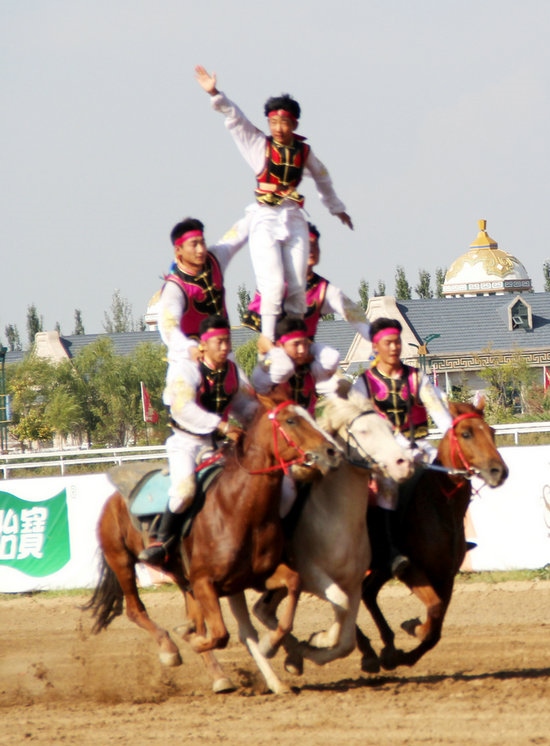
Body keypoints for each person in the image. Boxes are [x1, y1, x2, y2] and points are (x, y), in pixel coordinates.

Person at [195, 65, 353, 342]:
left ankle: (297, 340)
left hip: (293, 217)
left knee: (297, 287)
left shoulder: (304, 152)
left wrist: (336, 208)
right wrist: (215, 94)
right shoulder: (260, 147)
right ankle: (268, 341)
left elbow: (322, 177)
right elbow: (237, 120)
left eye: (284, 123)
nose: (279, 128)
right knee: (272, 285)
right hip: (265, 217)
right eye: (274, 122)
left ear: (295, 124)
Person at [138, 315, 257, 566]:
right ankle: (161, 542)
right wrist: (223, 425)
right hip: (186, 444)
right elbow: (182, 407)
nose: (225, 347)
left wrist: (261, 419)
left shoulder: (232, 371)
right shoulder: (186, 370)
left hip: (220, 446)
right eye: (219, 342)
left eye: (228, 341)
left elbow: (244, 406)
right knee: (184, 492)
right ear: (203, 344)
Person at [352, 317, 453, 578]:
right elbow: (355, 421)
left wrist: (452, 436)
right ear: (376, 346)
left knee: (450, 474)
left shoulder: (417, 377)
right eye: (389, 342)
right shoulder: (364, 383)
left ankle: (453, 536)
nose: (395, 347)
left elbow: (438, 412)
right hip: (385, 452)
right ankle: (389, 550)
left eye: (397, 341)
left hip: (418, 447)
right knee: (387, 487)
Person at [251, 317, 340, 516]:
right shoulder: (267, 372)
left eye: (305, 344)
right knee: (288, 492)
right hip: (281, 445)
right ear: (281, 345)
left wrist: (313, 349)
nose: (302, 350)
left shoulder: (310, 369)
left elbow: (331, 361)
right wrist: (274, 351)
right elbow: (280, 370)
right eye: (296, 345)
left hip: (309, 438)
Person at [242, 222, 370, 341]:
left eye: (315, 245)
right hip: (275, 350)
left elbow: (358, 318)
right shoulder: (273, 282)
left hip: (307, 352)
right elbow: (261, 331)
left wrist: (376, 340)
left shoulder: (324, 290)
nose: (312, 250)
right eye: (306, 245)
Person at [159, 216, 248, 362]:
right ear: (178, 250)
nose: (200, 250)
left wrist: (263, 209)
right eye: (194, 244)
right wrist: (189, 347)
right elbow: (168, 327)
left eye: (202, 242)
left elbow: (238, 234)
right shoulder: (174, 288)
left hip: (223, 356)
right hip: (188, 360)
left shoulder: (214, 260)